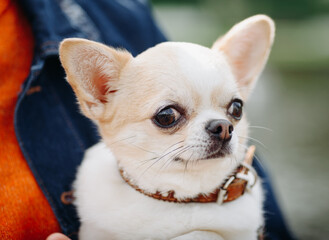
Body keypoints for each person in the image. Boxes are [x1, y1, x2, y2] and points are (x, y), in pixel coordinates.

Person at [0, 0, 294, 239]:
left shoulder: (116, 12)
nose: (223, 128)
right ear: (101, 94)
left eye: (233, 109)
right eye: (168, 117)